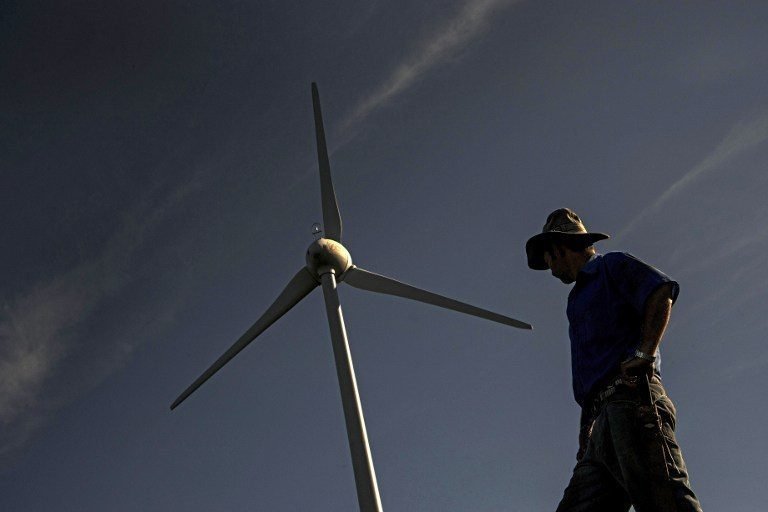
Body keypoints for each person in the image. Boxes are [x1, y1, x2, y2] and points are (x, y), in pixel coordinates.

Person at [525, 208, 702, 512]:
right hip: (599, 426)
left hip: (631, 403)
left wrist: (645, 352)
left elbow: (661, 291)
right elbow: (591, 370)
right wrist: (587, 427)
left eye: (549, 260)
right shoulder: (576, 300)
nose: (551, 270)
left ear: (558, 248)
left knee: (666, 502)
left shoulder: (612, 266)